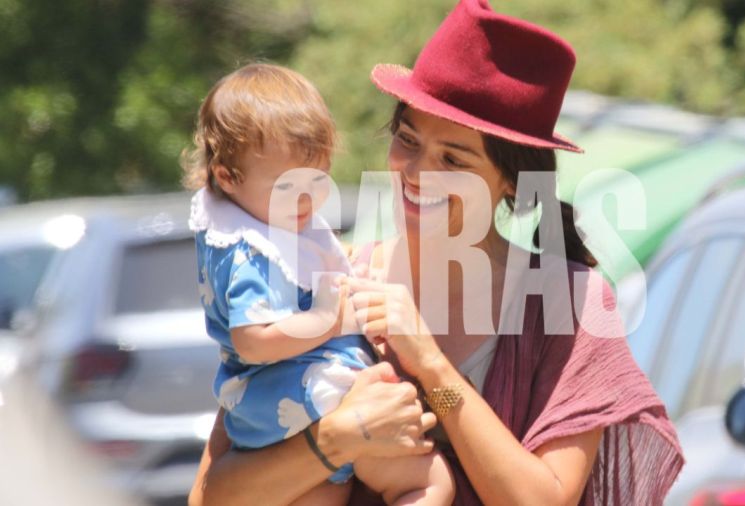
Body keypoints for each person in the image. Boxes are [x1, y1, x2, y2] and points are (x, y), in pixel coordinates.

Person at [189, 2, 684, 505]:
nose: (415, 171)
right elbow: (210, 497)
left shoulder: (569, 305)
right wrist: (336, 440)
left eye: (453, 158)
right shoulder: (336, 279)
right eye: (407, 140)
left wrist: (431, 367)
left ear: (513, 182)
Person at [182, 63, 454, 506]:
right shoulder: (249, 252)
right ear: (227, 177)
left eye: (318, 179)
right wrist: (328, 320)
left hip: (285, 418)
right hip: (307, 401)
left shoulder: (268, 220)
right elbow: (251, 342)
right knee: (430, 482)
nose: (308, 199)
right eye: (289, 186)